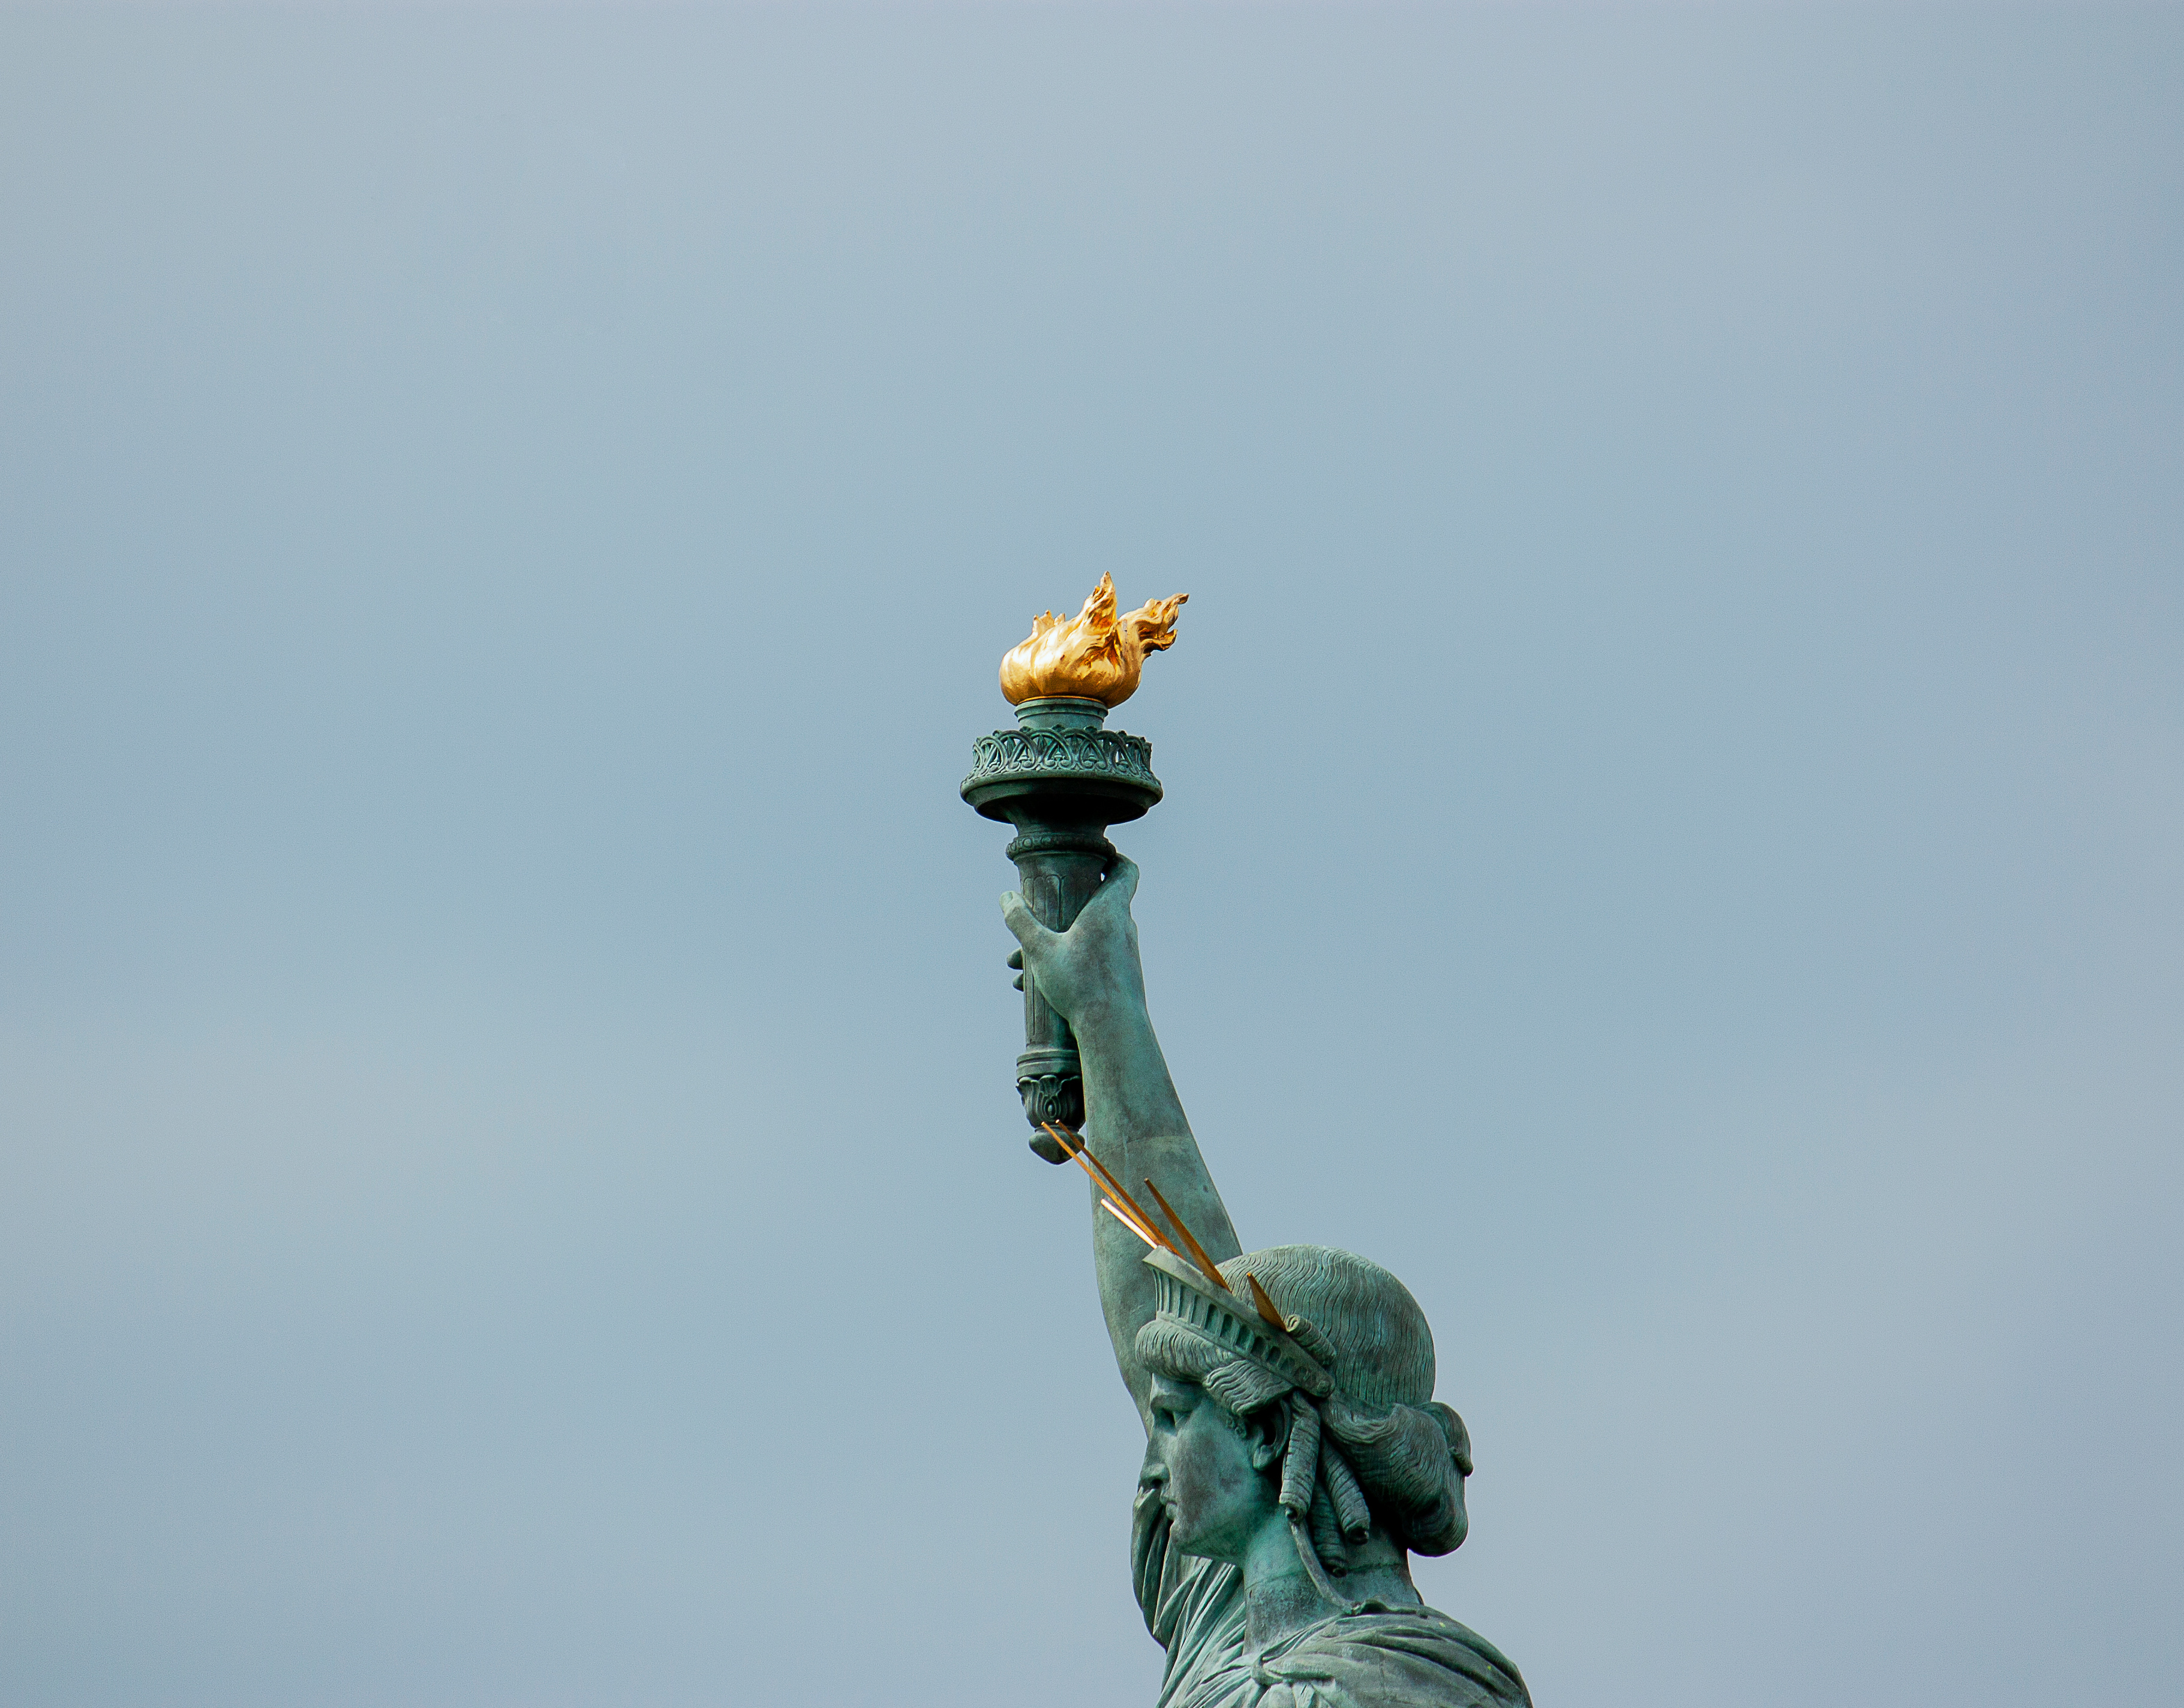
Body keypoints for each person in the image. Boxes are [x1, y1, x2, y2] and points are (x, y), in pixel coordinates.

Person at [1002, 857, 1531, 1708]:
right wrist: (1103, 1014)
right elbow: (1161, 1275)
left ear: (1264, 1434)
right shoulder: (1226, 1625)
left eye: (1175, 1420)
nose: (1157, 1456)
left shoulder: (1402, 1689)